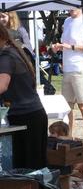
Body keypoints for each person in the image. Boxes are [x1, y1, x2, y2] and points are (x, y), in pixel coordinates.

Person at [0, 23, 48, 170]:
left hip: (26, 118)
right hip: (32, 115)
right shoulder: (15, 51)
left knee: (28, 170)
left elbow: (2, 85)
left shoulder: (6, 57)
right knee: (35, 168)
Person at [52, 8, 83, 137]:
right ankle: (68, 138)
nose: (70, 9)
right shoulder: (66, 21)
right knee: (67, 107)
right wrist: (58, 47)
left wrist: (70, 47)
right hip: (67, 69)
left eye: (73, 6)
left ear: (81, 7)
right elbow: (65, 44)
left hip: (80, 68)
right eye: (68, 6)